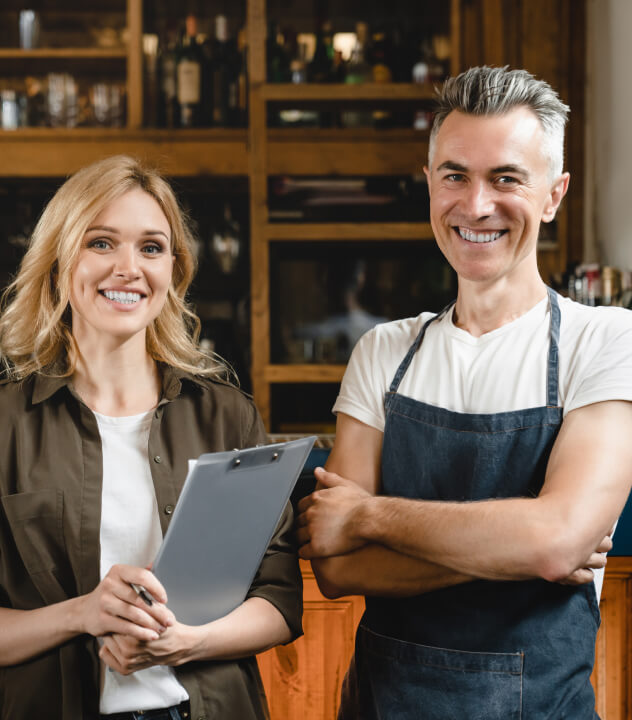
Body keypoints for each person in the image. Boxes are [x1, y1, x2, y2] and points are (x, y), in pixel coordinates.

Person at [296, 66, 632, 719]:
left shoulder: (607, 340)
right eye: (455, 175)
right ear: (429, 186)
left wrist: (370, 516)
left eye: (506, 178)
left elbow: (557, 541)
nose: (476, 205)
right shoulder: (383, 353)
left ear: (553, 195)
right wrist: (523, 546)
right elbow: (338, 568)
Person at [0, 155, 302, 720]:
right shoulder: (5, 427)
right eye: (101, 243)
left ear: (173, 273)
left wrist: (188, 642)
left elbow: (279, 601)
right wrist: (81, 614)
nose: (128, 268)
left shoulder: (227, 417)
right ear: (59, 262)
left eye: (151, 247)